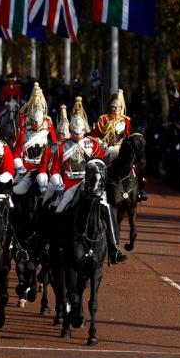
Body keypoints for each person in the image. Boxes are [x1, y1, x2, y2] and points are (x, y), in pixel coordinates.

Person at [49, 98, 127, 265]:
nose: (77, 135)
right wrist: (58, 184)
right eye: (75, 132)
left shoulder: (93, 145)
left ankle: (114, 249)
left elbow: (102, 165)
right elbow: (54, 170)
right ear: (70, 131)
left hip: (91, 185)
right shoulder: (62, 147)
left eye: (80, 131)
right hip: (69, 185)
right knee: (57, 210)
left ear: (85, 130)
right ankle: (52, 247)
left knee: (107, 209)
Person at [93, 89, 147, 201]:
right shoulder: (103, 119)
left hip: (120, 147)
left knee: (135, 163)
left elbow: (127, 136)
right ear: (110, 107)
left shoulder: (126, 121)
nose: (115, 109)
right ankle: (98, 186)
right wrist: (100, 143)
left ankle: (140, 189)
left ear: (121, 108)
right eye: (113, 106)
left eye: (118, 107)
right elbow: (96, 135)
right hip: (104, 147)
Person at [13, 85, 55, 196]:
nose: (36, 123)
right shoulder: (24, 132)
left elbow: (55, 148)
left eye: (39, 121)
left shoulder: (48, 131)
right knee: (14, 188)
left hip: (44, 167)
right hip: (26, 167)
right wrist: (20, 168)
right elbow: (16, 153)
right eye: (34, 121)